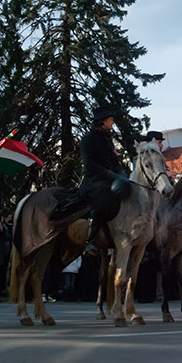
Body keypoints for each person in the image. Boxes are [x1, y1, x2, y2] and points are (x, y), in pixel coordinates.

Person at [78, 105, 130, 255]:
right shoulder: (88, 139)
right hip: (93, 181)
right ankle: (90, 240)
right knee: (104, 199)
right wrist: (111, 175)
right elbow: (89, 164)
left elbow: (115, 162)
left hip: (110, 179)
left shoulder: (108, 139)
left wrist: (123, 175)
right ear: (102, 122)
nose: (113, 122)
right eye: (110, 120)